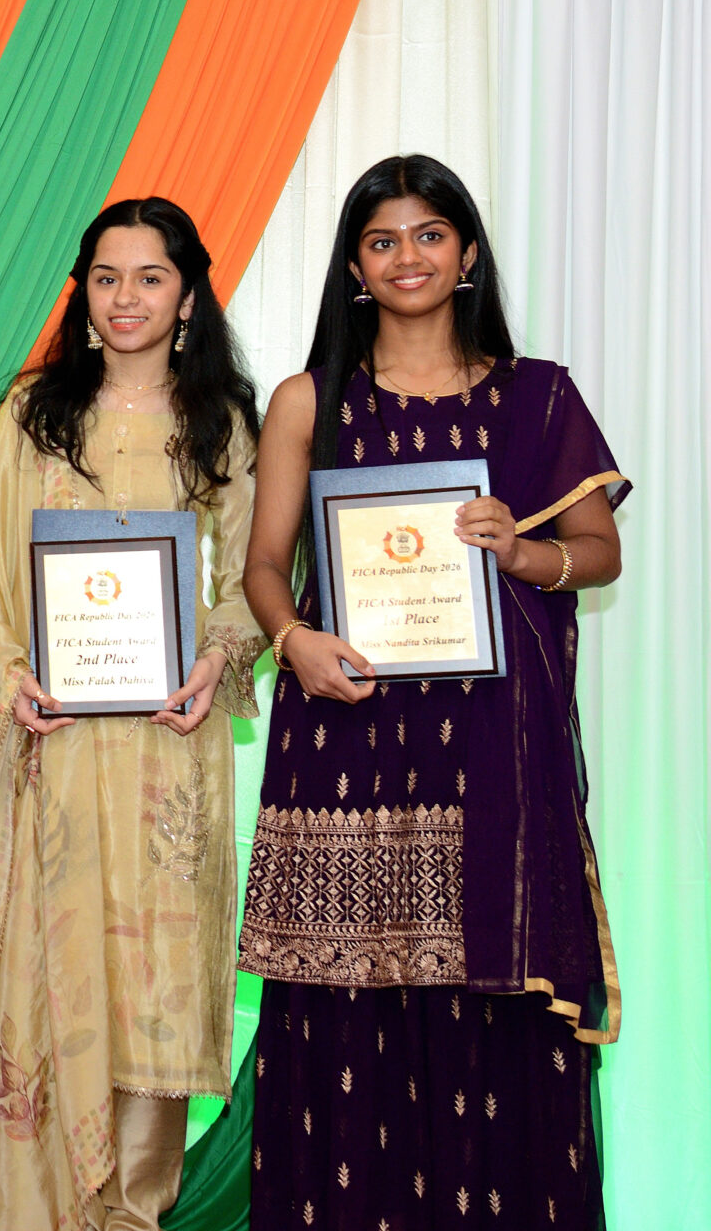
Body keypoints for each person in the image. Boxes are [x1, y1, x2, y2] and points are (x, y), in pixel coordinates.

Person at [236, 156, 624, 1231]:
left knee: (488, 1021)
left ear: (465, 253)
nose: (406, 257)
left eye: (428, 234)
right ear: (354, 268)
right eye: (382, 241)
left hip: (489, 751)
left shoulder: (539, 395)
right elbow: (264, 564)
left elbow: (600, 552)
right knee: (341, 1016)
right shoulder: (308, 400)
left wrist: (524, 551)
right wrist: (293, 641)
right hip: (345, 740)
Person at [0, 199, 265, 1231]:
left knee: (152, 983)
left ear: (187, 297)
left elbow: (255, 574)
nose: (125, 298)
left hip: (167, 748)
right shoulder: (34, 416)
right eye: (106, 277)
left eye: (150, 277)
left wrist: (217, 656)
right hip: (50, 746)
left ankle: (130, 1212)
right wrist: (6, 675)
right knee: (47, 968)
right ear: (83, 293)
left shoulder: (220, 422)